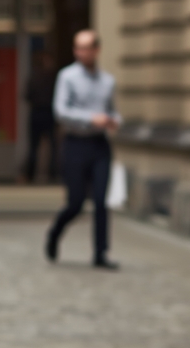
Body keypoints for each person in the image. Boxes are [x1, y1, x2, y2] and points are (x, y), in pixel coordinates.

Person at [45, 29, 122, 269]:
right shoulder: (67, 77)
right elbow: (61, 111)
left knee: (101, 202)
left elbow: (112, 110)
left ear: (96, 50)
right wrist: (91, 118)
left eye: (86, 47)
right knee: (76, 202)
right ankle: (55, 232)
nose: (81, 52)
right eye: (78, 47)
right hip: (75, 144)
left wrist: (114, 120)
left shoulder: (108, 81)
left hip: (100, 146)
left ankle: (100, 253)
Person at [23, 50, 58, 183]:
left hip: (40, 112)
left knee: (36, 146)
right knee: (46, 146)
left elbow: (27, 95)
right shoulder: (53, 78)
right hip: (45, 112)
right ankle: (51, 175)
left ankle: (32, 175)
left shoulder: (36, 76)